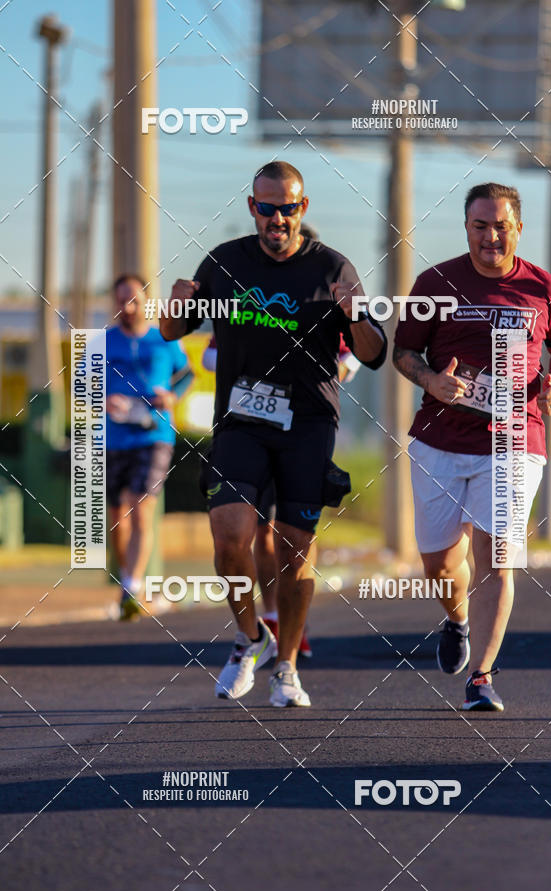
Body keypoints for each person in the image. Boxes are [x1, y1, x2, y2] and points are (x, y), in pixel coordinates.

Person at [161, 160, 386, 707]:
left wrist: (356, 316)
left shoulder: (333, 267)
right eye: (267, 208)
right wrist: (174, 306)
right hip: (241, 420)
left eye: (287, 208)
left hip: (308, 424)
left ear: (302, 208)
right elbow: (172, 330)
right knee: (229, 538)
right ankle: (249, 637)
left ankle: (286, 667)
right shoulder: (225, 262)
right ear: (252, 208)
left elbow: (374, 354)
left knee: (294, 549)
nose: (277, 219)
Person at [393, 182, 551, 712]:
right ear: (467, 228)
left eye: (501, 226)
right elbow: (404, 352)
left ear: (518, 228)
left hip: (516, 440)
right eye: (480, 226)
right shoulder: (435, 283)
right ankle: (456, 618)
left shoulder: (546, 288)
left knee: (497, 556)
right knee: (439, 563)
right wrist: (431, 381)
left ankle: (481, 677)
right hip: (441, 441)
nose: (491, 236)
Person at [201, 315, 360, 659]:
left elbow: (353, 355)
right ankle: (270, 617)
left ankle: (290, 626)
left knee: (291, 537)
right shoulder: (245, 303)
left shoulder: (312, 303)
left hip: (301, 431)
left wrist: (323, 372)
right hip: (248, 431)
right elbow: (209, 356)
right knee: (260, 533)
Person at [106, 274, 193, 620]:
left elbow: (187, 374)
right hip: (114, 438)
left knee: (141, 508)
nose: (128, 308)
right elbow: (84, 384)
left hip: (154, 435)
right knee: (117, 518)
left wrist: (172, 396)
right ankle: (126, 580)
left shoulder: (164, 339)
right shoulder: (103, 342)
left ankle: (131, 587)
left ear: (146, 302)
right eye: (121, 301)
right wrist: (103, 400)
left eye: (134, 301)